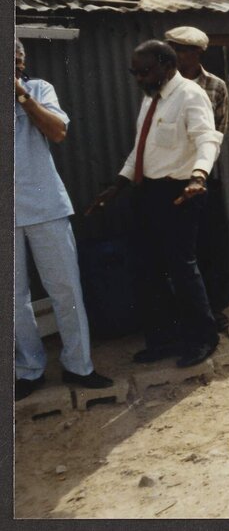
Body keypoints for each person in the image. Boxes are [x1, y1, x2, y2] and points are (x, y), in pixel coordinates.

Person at [86, 40, 223, 368]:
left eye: (144, 72)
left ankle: (204, 338)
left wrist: (199, 177)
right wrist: (117, 186)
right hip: (146, 194)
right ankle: (164, 339)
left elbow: (207, 138)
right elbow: (141, 149)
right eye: (134, 73)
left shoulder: (190, 95)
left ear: (166, 65)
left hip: (180, 192)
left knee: (182, 269)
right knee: (146, 269)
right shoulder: (151, 99)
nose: (138, 79)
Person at [14, 38, 113, 401]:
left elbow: (58, 132)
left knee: (66, 288)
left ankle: (78, 365)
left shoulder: (39, 89)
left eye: (19, 58)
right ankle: (28, 370)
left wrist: (20, 93)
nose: (17, 64)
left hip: (46, 206)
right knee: (12, 298)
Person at [164, 26, 229, 330]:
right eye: (172, 50)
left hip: (201, 177)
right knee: (178, 252)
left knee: (208, 247)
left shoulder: (215, 87)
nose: (177, 57)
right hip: (168, 177)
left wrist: (200, 171)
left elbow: (218, 132)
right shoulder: (163, 85)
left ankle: (213, 311)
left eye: (182, 51)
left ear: (196, 54)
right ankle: (186, 313)